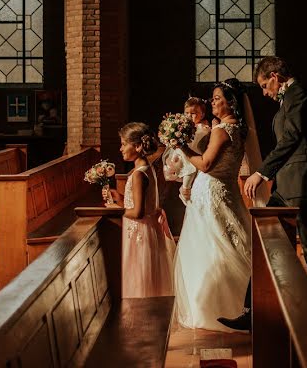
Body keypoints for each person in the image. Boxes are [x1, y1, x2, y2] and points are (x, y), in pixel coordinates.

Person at [219, 56, 307, 332]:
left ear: (275, 76)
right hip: (286, 187)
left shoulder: (301, 95)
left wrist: (262, 172)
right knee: (265, 245)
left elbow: (292, 138)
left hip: (304, 185)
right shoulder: (288, 98)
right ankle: (252, 312)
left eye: (264, 85)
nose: (264, 92)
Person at [173, 79, 259, 332]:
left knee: (212, 248)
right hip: (227, 190)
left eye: (217, 98)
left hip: (211, 193)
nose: (212, 102)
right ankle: (245, 304)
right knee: (228, 243)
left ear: (230, 103)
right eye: (212, 98)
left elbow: (205, 164)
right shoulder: (238, 130)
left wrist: (181, 148)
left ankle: (215, 307)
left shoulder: (222, 130)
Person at [108, 122, 176, 298]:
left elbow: (138, 212)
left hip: (139, 232)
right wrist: (120, 198)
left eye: (124, 144)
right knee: (146, 276)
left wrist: (115, 210)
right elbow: (144, 204)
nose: (121, 148)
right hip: (147, 229)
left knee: (138, 275)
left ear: (137, 146)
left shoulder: (138, 174)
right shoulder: (148, 169)